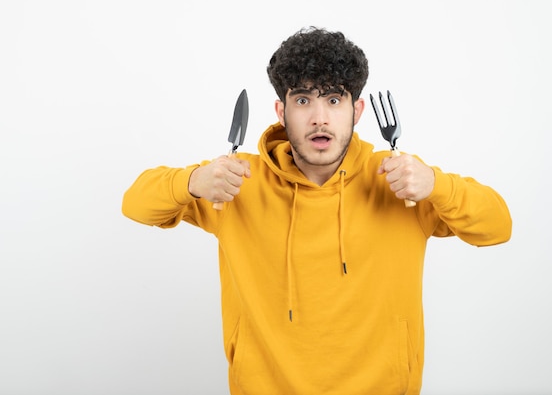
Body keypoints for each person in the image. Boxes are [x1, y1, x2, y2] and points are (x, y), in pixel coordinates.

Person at [122, 26, 512, 395]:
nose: (319, 118)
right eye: (303, 99)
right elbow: (135, 203)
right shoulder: (234, 183)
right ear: (281, 111)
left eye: (333, 99)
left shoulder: (401, 181)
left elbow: (498, 226)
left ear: (357, 111)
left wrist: (438, 186)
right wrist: (191, 182)